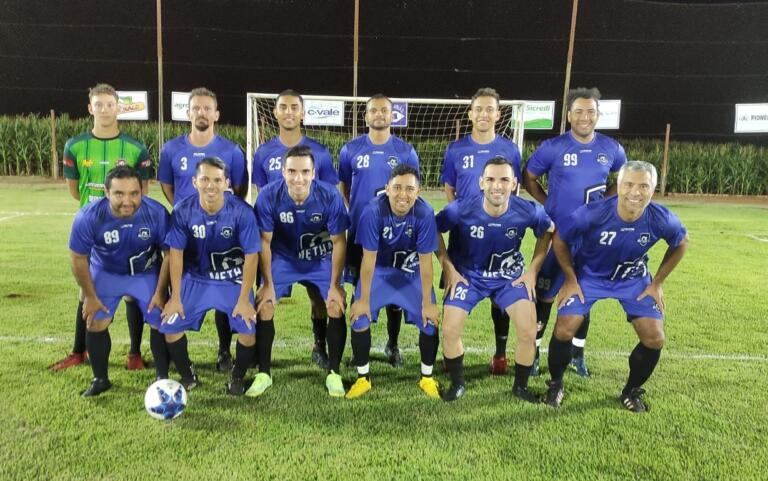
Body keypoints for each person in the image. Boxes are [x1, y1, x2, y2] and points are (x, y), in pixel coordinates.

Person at [543, 161, 688, 412]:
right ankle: (556, 384)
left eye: (644, 186)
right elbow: (561, 239)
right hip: (589, 276)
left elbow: (682, 242)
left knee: (654, 338)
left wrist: (657, 284)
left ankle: (631, 391)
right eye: (629, 184)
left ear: (654, 189)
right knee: (565, 329)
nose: (635, 192)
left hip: (632, 278)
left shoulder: (661, 218)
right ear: (618, 186)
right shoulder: (593, 213)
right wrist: (570, 279)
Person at [523, 87, 627, 377]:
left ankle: (576, 355)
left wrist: (606, 202)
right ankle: (533, 354)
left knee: (584, 294)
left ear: (598, 115)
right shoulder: (553, 147)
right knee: (543, 296)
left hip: (591, 238)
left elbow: (624, 176)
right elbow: (529, 176)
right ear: (569, 115)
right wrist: (547, 203)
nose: (585, 117)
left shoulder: (611, 148)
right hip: (557, 234)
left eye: (590, 111)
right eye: (579, 111)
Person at [53, 83, 152, 372]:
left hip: (128, 229)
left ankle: (134, 354)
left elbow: (142, 191)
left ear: (118, 107)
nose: (105, 109)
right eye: (99, 104)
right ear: (90, 108)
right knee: (86, 291)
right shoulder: (75, 145)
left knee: (133, 290)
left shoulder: (135, 148)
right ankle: (78, 351)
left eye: (110, 104)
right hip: (92, 231)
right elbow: (74, 190)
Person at [437, 157, 553, 402]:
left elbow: (548, 232)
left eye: (504, 180)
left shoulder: (529, 210)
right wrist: (448, 267)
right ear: (481, 183)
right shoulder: (460, 208)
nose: (497, 186)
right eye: (490, 179)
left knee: (528, 330)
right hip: (469, 276)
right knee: (449, 329)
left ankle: (520, 387)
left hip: (508, 277)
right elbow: (433, 229)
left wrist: (532, 271)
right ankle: (458, 384)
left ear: (514, 184)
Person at [157, 87, 248, 373]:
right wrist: (188, 212)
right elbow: (167, 187)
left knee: (224, 286)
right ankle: (175, 354)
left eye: (207, 108)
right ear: (188, 112)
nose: (201, 112)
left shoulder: (231, 150)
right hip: (185, 233)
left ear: (216, 114)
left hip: (221, 233)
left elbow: (240, 190)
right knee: (180, 287)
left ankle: (224, 350)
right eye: (196, 108)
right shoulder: (171, 149)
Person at [251, 89, 339, 368]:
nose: (289, 112)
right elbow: (261, 195)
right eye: (283, 107)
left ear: (303, 113)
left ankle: (319, 346)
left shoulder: (320, 153)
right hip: (280, 247)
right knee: (265, 298)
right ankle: (260, 360)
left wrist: (317, 239)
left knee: (321, 298)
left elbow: (328, 200)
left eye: (294, 107)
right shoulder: (263, 152)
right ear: (275, 112)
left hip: (316, 247)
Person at [254, 146, 349, 397]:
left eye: (305, 171)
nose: (298, 178)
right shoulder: (268, 196)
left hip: (320, 258)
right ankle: (263, 373)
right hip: (283, 258)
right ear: (283, 172)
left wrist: (336, 284)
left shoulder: (329, 196)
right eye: (292, 171)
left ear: (314, 173)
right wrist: (266, 283)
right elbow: (264, 241)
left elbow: (339, 241)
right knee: (265, 303)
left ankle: (334, 373)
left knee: (334, 303)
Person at [440, 87, 523, 375]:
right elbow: (449, 189)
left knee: (501, 298)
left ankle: (500, 355)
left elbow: (516, 189)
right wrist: (464, 218)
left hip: (500, 238)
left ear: (498, 114)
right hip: (464, 240)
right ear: (470, 113)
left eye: (490, 109)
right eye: (479, 109)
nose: (484, 114)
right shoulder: (456, 150)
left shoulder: (510, 150)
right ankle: (452, 355)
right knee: (456, 290)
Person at [160, 157, 261, 395]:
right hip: (196, 278)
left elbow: (251, 256)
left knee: (248, 327)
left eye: (217, 180)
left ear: (226, 182)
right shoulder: (183, 210)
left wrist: (245, 299)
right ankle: (188, 376)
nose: (210, 185)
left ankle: (236, 377)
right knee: (170, 325)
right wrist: (175, 297)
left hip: (231, 279)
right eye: (204, 179)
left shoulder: (242, 212)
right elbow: (175, 255)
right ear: (195, 182)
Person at [68, 166, 170, 396]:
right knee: (95, 320)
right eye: (119, 194)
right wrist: (90, 296)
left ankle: (162, 377)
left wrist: (161, 292)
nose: (128, 200)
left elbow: (170, 253)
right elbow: (77, 258)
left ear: (142, 191)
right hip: (107, 272)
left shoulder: (156, 213)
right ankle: (100, 379)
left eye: (134, 193)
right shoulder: (89, 216)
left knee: (160, 318)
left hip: (144, 272)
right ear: (106, 192)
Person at [338, 94, 420, 367]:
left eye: (385, 110)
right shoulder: (351, 149)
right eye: (374, 110)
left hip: (395, 235)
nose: (379, 115)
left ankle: (392, 345)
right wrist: (360, 213)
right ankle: (358, 349)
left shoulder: (405, 151)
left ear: (392, 115)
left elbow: (412, 190)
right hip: (360, 233)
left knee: (394, 288)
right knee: (358, 287)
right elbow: (345, 187)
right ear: (365, 116)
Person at [346, 164, 441, 399]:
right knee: (359, 316)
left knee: (429, 320)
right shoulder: (372, 211)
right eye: (397, 187)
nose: (403, 194)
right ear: (387, 188)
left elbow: (426, 262)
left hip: (410, 272)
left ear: (418, 192)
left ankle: (427, 378)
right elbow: (368, 260)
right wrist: (363, 300)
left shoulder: (425, 213)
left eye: (409, 189)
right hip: (380, 271)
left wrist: (428, 302)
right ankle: (363, 378)